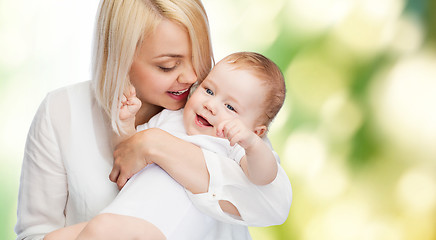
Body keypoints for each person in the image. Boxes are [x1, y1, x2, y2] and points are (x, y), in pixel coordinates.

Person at [15, 0, 292, 240]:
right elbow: (126, 154)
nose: (193, 77)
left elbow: (272, 201)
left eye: (199, 57)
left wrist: (155, 145)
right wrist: (128, 128)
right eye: (168, 66)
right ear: (119, 57)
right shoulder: (62, 111)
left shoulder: (231, 126)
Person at [45, 51, 286, 240]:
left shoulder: (234, 146)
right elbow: (128, 154)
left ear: (258, 131)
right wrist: (125, 123)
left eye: (230, 107)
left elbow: (263, 177)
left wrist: (253, 144)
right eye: (209, 90)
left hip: (158, 226)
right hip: (124, 213)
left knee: (102, 228)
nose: (211, 105)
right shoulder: (170, 119)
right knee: (55, 237)